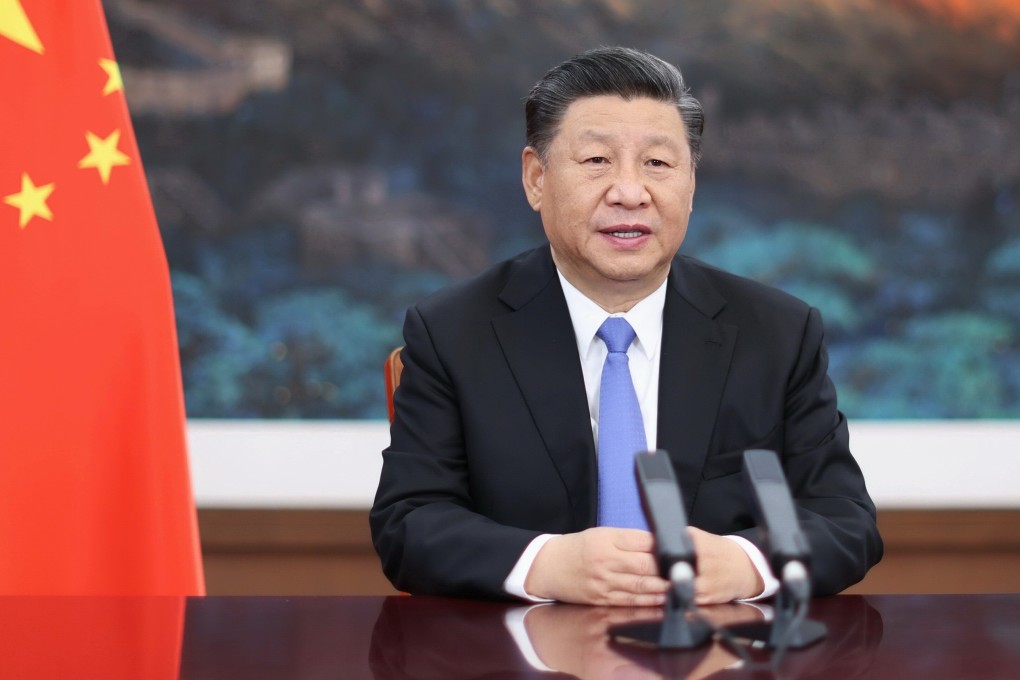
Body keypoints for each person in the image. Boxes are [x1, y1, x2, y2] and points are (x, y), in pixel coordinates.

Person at [370, 46, 882, 606]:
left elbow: (844, 519)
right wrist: (547, 563)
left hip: (718, 644)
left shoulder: (777, 333)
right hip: (522, 645)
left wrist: (745, 563)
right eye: (597, 161)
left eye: (658, 164)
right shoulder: (453, 333)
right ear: (536, 178)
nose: (630, 193)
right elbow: (409, 521)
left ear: (691, 184)